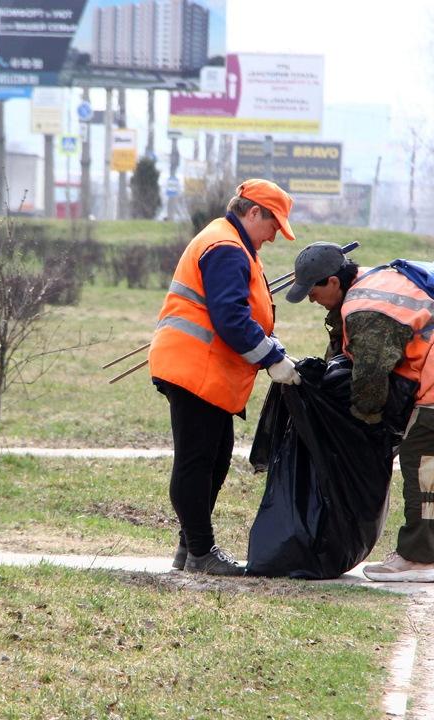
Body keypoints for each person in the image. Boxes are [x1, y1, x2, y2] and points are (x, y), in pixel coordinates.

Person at [284, 242, 434, 582]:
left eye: (312, 291)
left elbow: (370, 378)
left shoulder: (364, 307)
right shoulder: (375, 279)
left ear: (331, 282)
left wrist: (365, 424)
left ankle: (416, 558)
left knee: (421, 457)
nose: (311, 299)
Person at [147, 179, 301, 576]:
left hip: (203, 369)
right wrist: (272, 359)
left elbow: (243, 312)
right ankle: (200, 552)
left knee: (212, 461)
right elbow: (231, 319)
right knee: (197, 462)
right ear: (253, 213)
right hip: (194, 368)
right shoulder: (227, 248)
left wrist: (273, 347)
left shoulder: (231, 243)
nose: (273, 237)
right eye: (273, 226)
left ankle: (190, 550)